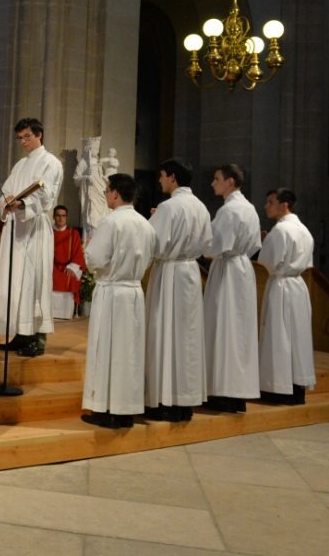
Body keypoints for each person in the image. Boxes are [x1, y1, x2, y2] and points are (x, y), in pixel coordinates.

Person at [80, 173, 156, 429]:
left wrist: (89, 247)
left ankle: (105, 408)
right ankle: (125, 409)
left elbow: (95, 260)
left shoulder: (111, 223)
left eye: (107, 191)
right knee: (129, 353)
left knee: (108, 350)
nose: (105, 196)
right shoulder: (146, 224)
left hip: (112, 292)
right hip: (133, 292)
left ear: (114, 193)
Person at [144, 158, 211, 422]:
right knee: (187, 337)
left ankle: (164, 399)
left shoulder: (168, 207)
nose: (160, 181)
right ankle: (185, 400)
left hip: (170, 272)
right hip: (191, 273)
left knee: (165, 332)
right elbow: (207, 244)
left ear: (172, 177)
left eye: (162, 176)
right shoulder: (201, 206)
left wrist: (152, 220)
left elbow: (154, 244)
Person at [0, 118, 64, 357]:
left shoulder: (51, 163)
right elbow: (6, 190)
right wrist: (6, 202)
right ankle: (20, 333)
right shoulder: (19, 165)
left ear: (39, 135)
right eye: (20, 138)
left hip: (35, 226)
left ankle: (38, 337)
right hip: (16, 229)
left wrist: (23, 202)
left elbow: (48, 195)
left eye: (27, 136)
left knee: (34, 280)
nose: (23, 142)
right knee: (16, 281)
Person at [202, 163, 261, 413]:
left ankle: (222, 391)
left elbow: (213, 247)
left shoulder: (229, 211)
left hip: (227, 270)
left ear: (230, 182)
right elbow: (255, 244)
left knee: (223, 328)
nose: (213, 184)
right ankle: (238, 392)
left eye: (216, 179)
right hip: (243, 269)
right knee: (240, 333)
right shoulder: (250, 208)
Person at [257, 188, 316, 405]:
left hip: (281, 285)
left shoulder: (281, 230)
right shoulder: (304, 230)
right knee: (297, 338)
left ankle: (278, 388)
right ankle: (296, 388)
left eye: (270, 202)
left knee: (279, 336)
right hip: (298, 286)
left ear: (284, 205)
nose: (266, 207)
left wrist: (266, 242)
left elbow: (268, 261)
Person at [51, 205, 86, 319]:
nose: (61, 219)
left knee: (69, 277)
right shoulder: (48, 233)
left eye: (63, 216)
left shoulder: (73, 233)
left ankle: (65, 314)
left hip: (67, 268)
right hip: (51, 267)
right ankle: (49, 313)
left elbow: (78, 255)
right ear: (53, 217)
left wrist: (72, 267)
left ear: (66, 217)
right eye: (58, 216)